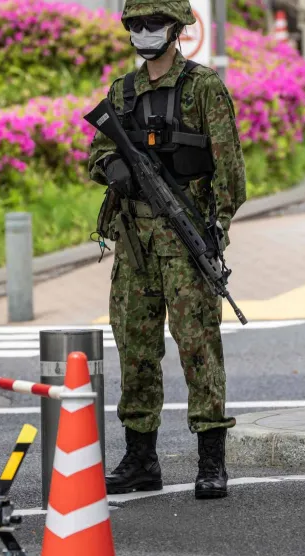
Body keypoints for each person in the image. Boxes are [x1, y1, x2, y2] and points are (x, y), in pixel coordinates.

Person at [86, 0, 247, 499]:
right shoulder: (122, 91)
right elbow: (97, 154)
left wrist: (217, 227)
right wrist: (116, 168)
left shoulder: (203, 88)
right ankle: (141, 459)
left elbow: (230, 171)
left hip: (185, 240)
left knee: (199, 348)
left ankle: (211, 460)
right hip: (135, 243)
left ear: (176, 29)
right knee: (135, 349)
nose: (144, 31)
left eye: (154, 23)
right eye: (136, 24)